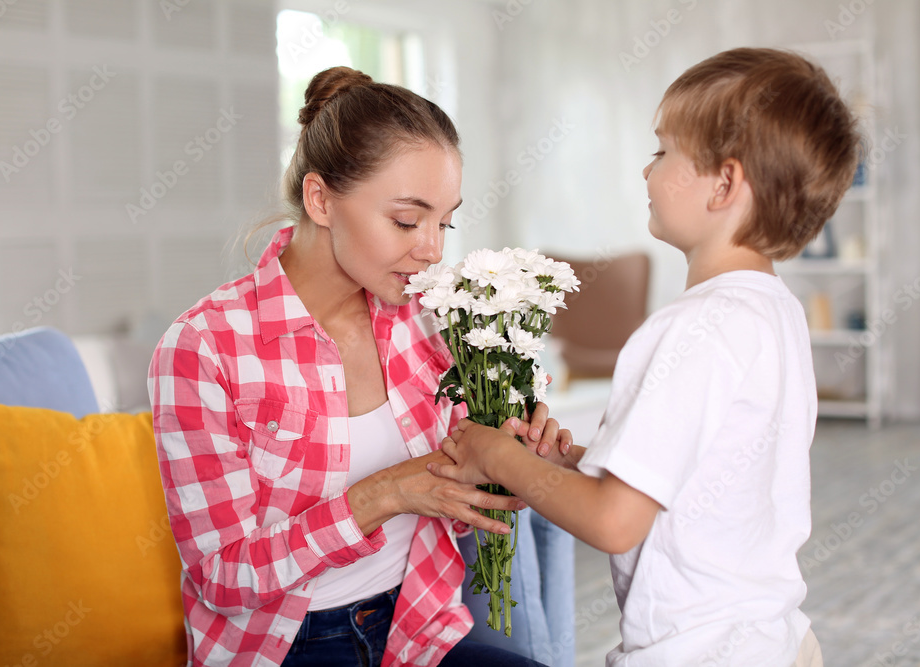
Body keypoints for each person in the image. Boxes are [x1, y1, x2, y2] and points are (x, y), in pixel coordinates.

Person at [429, 47, 859, 667]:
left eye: (662, 152)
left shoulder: (691, 329)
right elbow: (700, 472)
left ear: (726, 184)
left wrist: (497, 454)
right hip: (775, 639)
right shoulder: (774, 311)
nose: (646, 172)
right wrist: (574, 462)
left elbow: (614, 524)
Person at [148, 67, 560, 666]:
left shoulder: (429, 319)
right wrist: (383, 494)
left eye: (444, 222)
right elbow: (222, 578)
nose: (433, 249)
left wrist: (514, 457)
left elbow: (461, 496)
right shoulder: (205, 347)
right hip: (289, 646)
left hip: (418, 626)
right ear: (321, 200)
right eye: (405, 220)